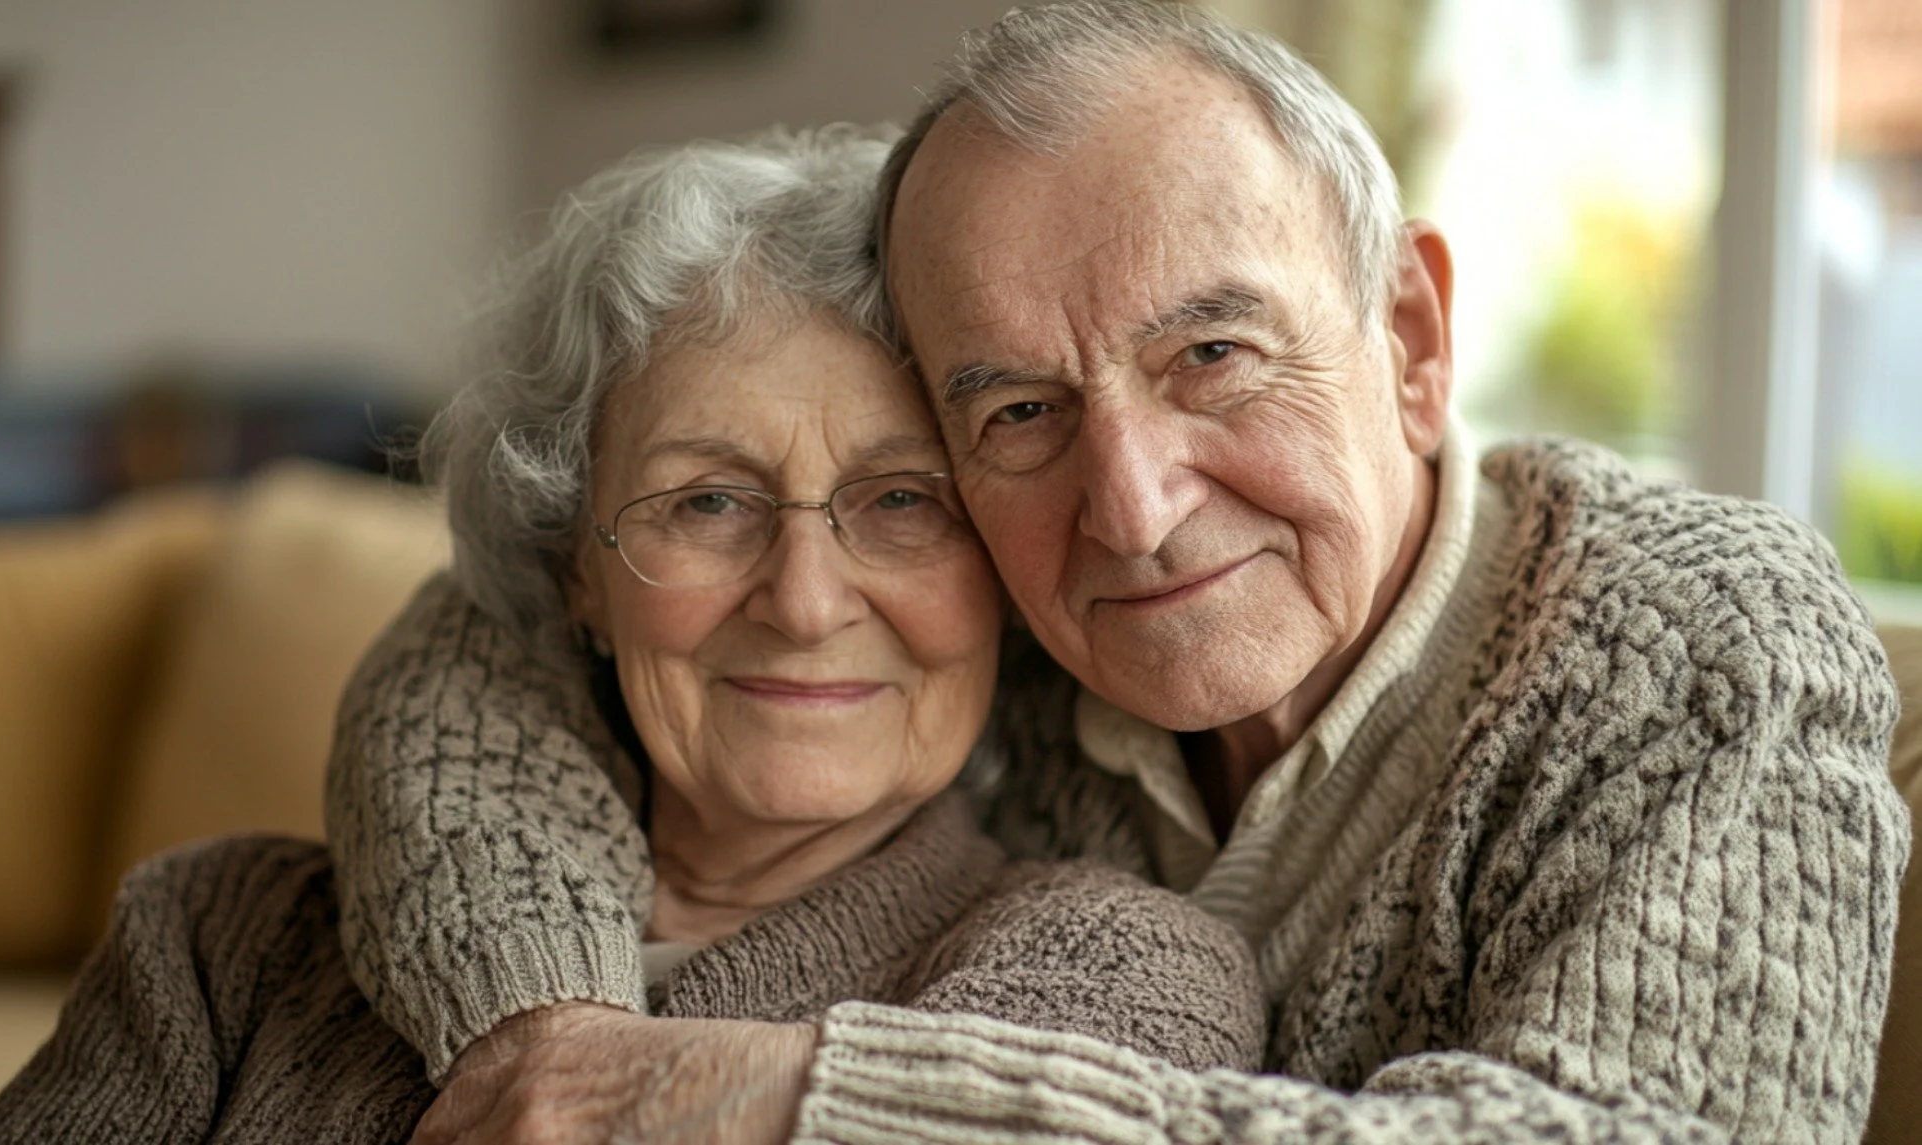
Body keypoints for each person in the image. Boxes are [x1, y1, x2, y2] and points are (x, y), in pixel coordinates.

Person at [328, 3, 1910, 1143]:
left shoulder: (1700, 636)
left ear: (1411, 344)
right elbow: (492, 643)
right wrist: (542, 1035)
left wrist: (798, 1095)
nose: (1133, 508)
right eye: (1017, 409)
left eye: (1212, 354)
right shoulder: (985, 615)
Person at [0, 125, 1265, 1145]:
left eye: (903, 503)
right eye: (705, 501)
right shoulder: (216, 936)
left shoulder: (1116, 976)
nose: (804, 601)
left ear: (1004, 564)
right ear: (573, 564)